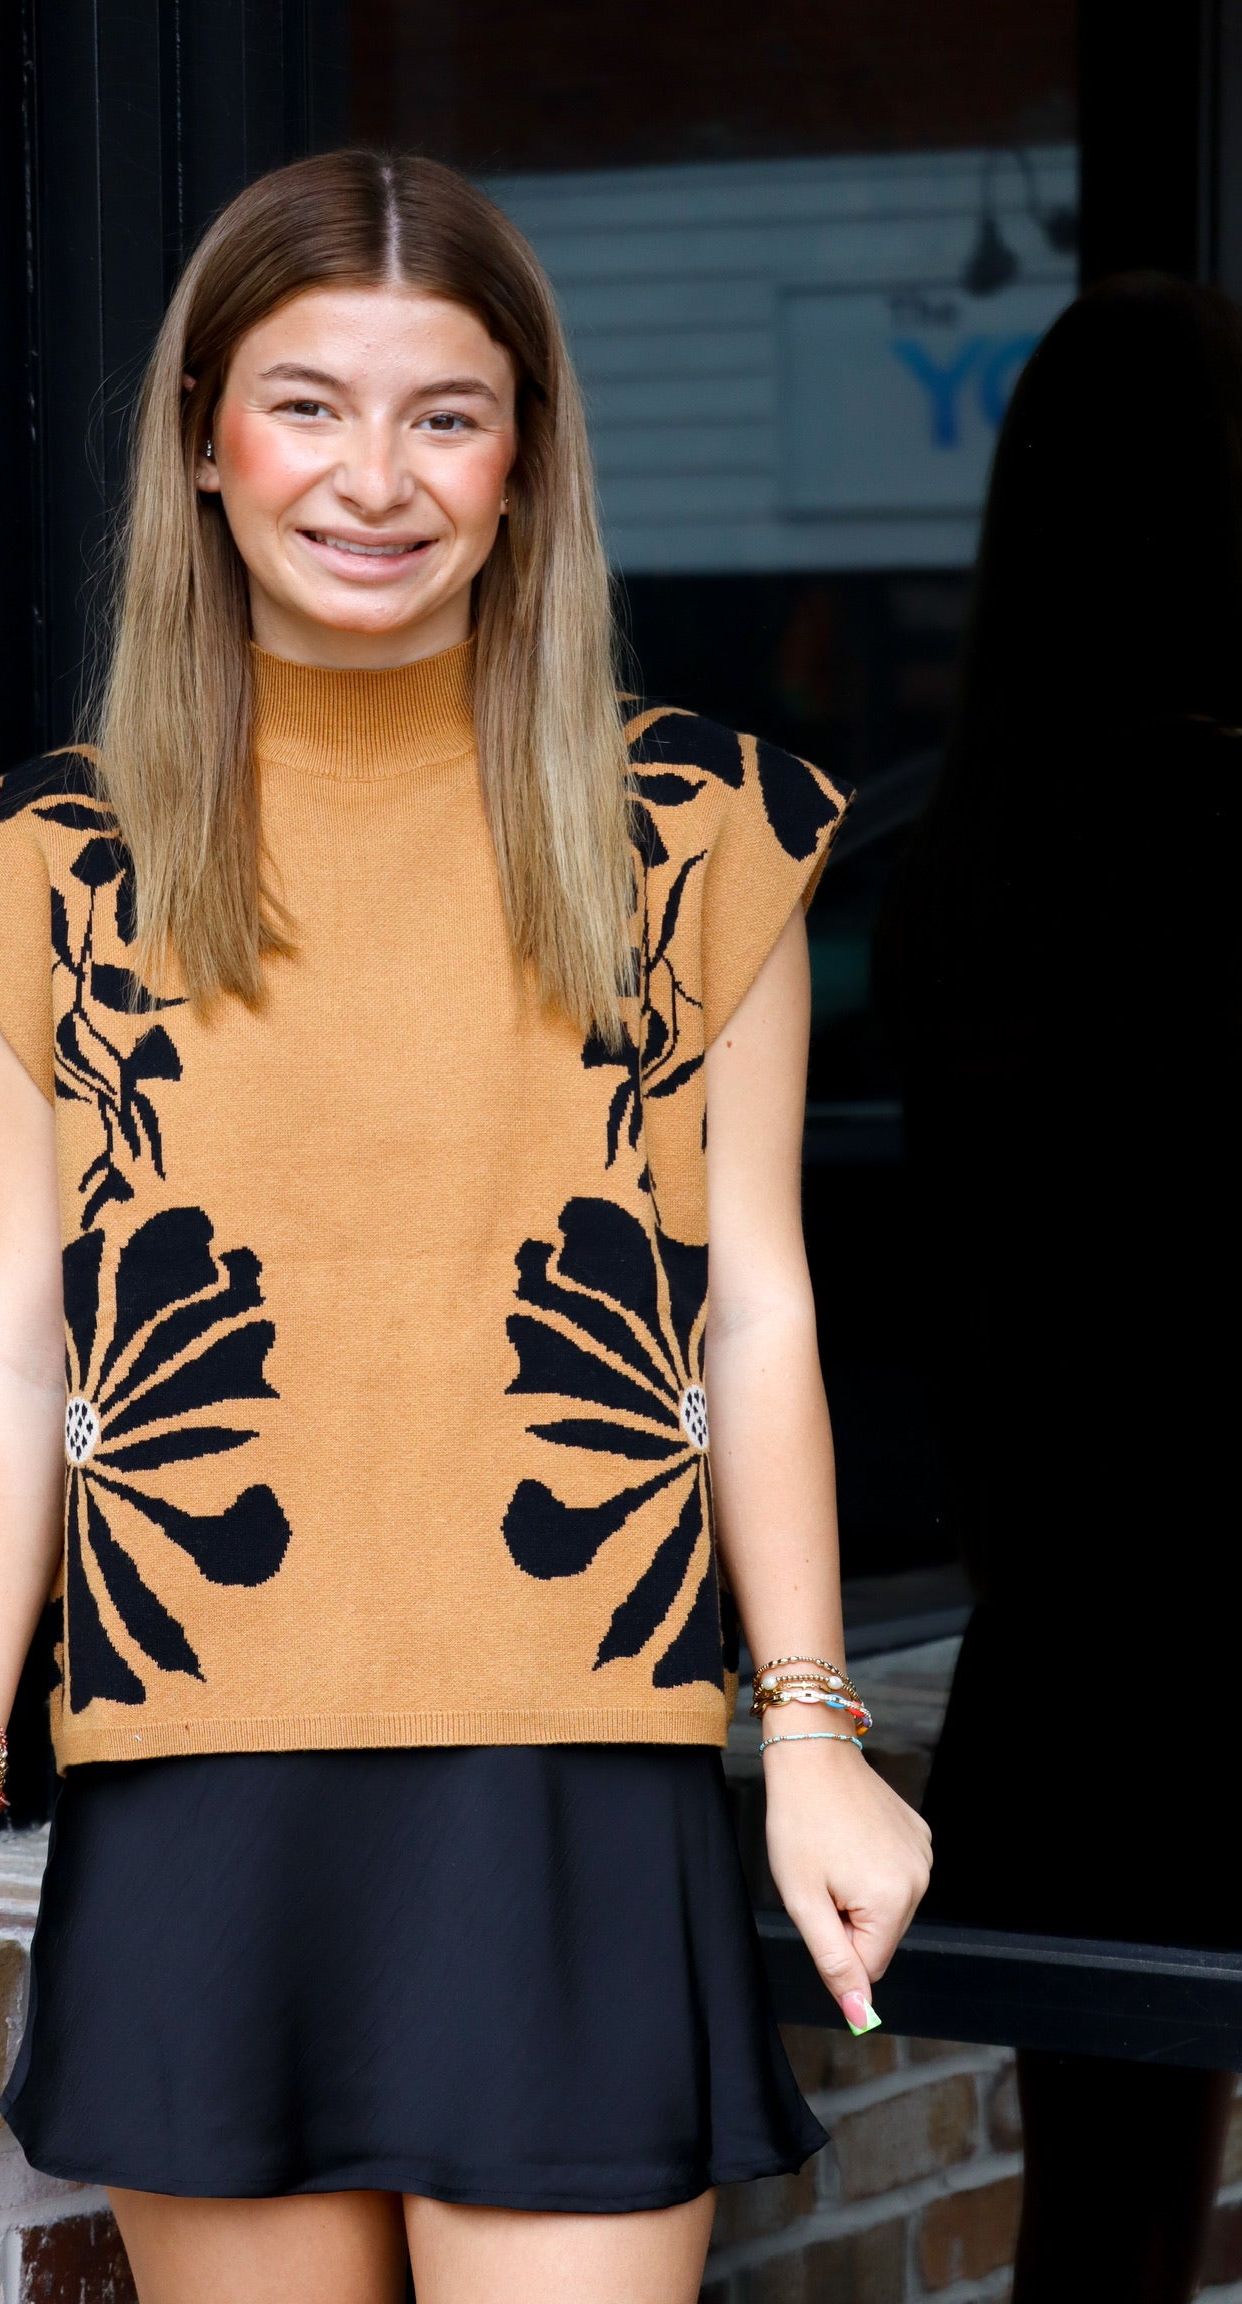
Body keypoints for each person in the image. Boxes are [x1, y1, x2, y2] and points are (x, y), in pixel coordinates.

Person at [0, 151, 930, 2304]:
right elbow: (12, 1350)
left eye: (447, 414)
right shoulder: (42, 863)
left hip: (573, 1768)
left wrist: (811, 1734)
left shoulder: (699, 834)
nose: (377, 477)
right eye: (308, 404)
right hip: (195, 1776)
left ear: (526, 457)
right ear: (203, 440)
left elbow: (754, 1312)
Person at [877, 273, 1242, 2303]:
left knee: (1100, 2234)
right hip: (1200, 1631)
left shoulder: (962, 863)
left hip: (1078, 1662)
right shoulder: (1210, 829)